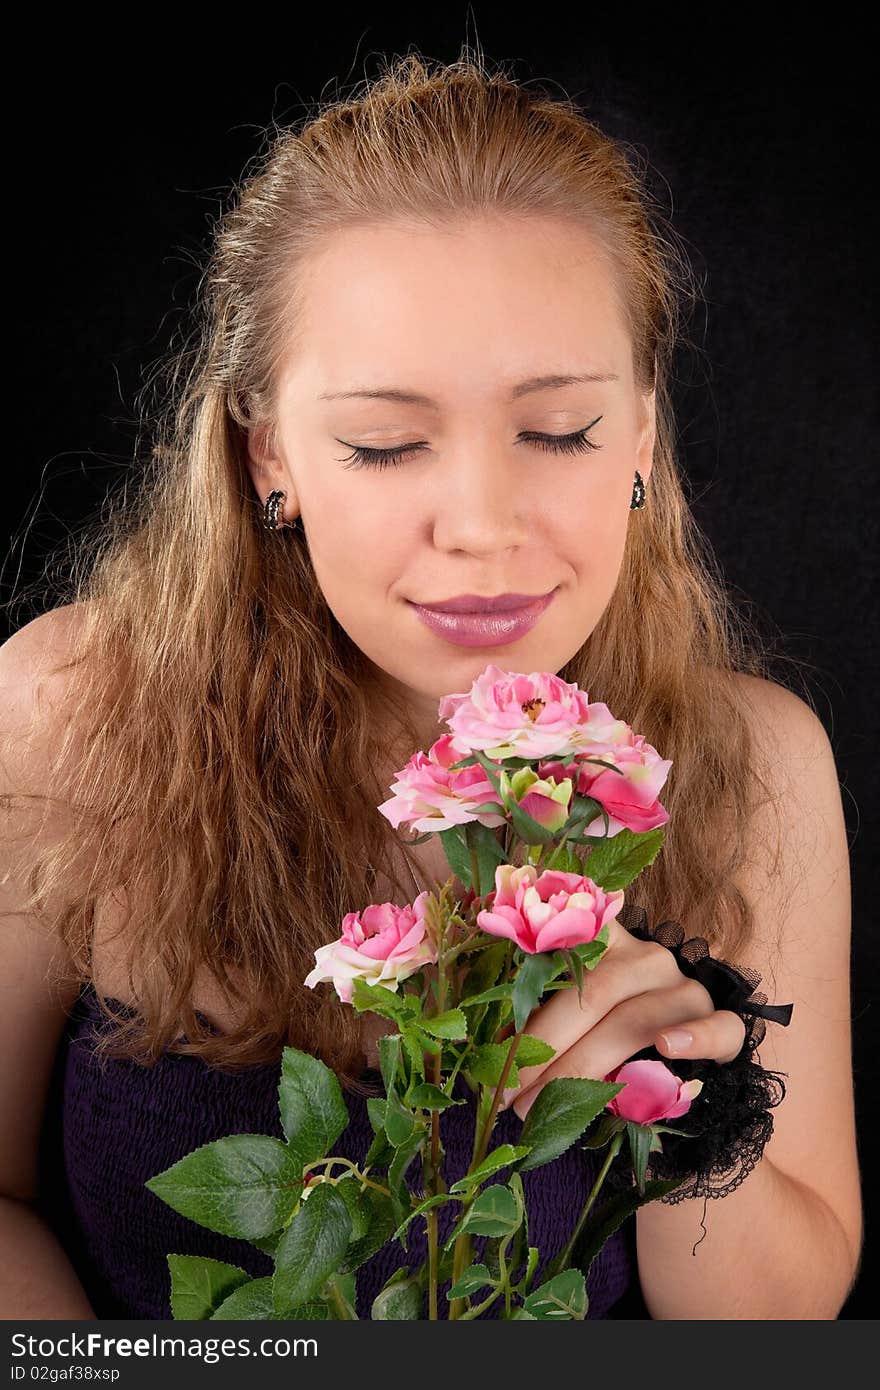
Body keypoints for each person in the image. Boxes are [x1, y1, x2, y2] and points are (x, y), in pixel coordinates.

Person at [0, 48, 862, 1321]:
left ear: (638, 434)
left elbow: (777, 1328)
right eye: (386, 444)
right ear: (269, 459)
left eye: (560, 429)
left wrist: (690, 1111)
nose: (482, 527)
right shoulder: (63, 708)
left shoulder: (756, 761)